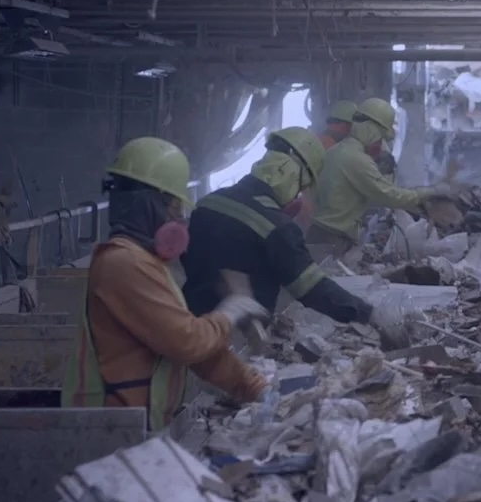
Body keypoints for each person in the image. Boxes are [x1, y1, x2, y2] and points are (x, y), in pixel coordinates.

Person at [62, 137, 270, 431]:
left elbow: (194, 352)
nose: (178, 219)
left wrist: (252, 387)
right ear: (150, 204)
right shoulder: (123, 264)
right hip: (109, 428)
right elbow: (187, 342)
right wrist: (227, 314)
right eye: (173, 207)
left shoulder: (147, 263)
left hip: (138, 424)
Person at [181, 127, 377, 326]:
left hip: (187, 325)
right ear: (292, 174)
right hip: (234, 336)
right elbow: (313, 290)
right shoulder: (276, 227)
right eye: (301, 187)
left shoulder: (209, 202)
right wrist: (366, 314)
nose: (297, 195)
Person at [308, 107, 449, 253]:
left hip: (323, 232)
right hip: (332, 238)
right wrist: (430, 192)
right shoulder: (357, 159)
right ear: (371, 130)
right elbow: (389, 196)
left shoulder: (338, 151)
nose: (379, 144)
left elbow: (360, 192)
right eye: (379, 138)